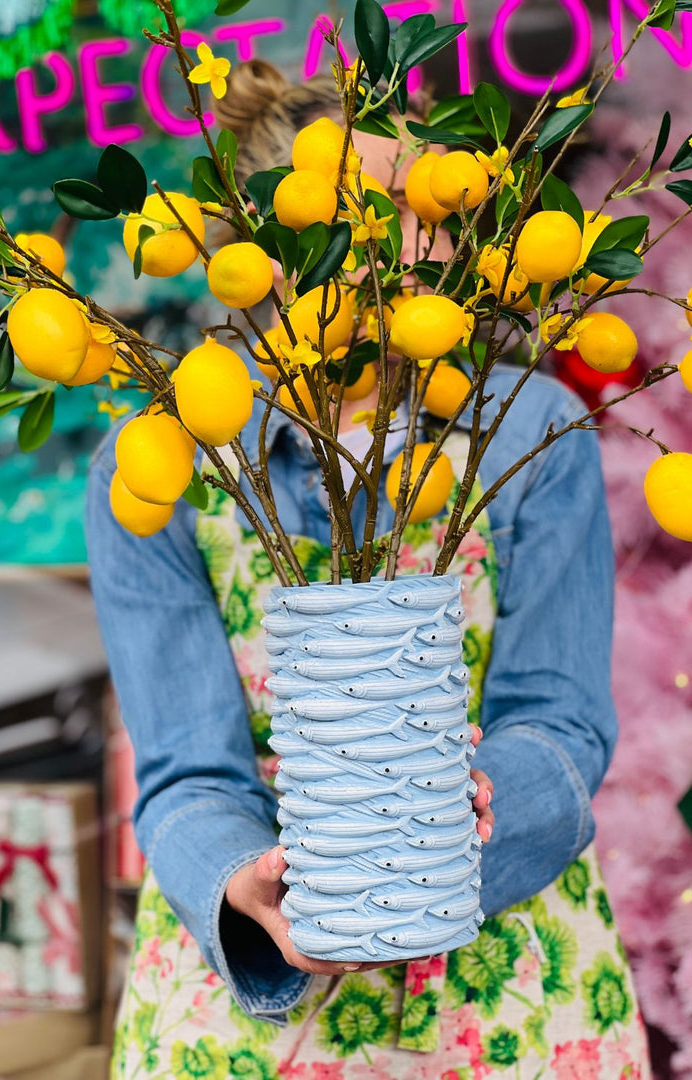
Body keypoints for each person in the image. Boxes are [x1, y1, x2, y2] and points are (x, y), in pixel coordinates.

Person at [87, 61, 651, 1079]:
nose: (416, 245)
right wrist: (245, 890)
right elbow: (185, 768)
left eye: (428, 208)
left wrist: (481, 806)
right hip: (252, 1014)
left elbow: (561, 719)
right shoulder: (160, 462)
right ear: (263, 246)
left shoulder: (528, 430)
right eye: (369, 210)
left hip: (510, 997)